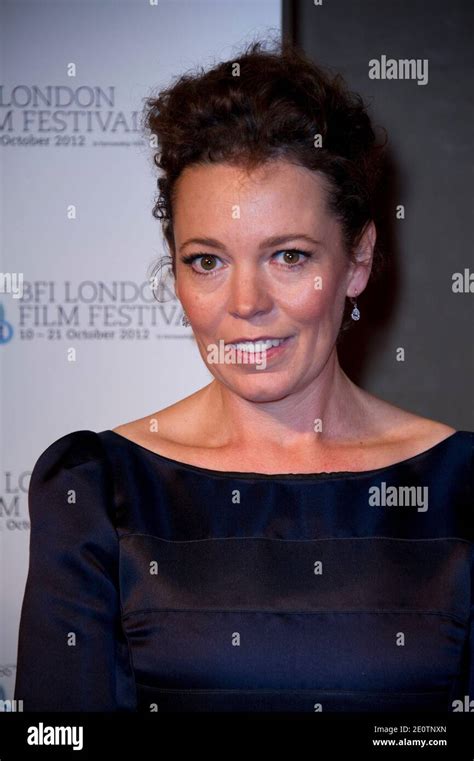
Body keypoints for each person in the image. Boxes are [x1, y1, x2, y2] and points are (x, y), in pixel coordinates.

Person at [14, 38, 473, 712]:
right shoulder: (95, 488)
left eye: (288, 255)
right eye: (207, 261)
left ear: (359, 260)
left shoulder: (462, 486)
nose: (245, 303)